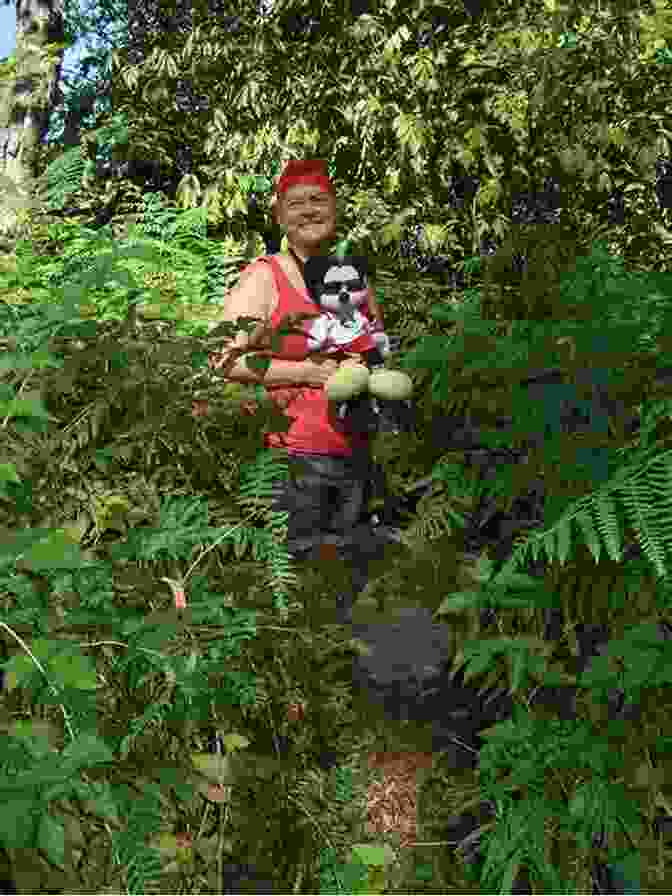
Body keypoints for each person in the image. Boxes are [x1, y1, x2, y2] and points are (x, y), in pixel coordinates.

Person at [209, 159, 399, 623]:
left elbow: (375, 347)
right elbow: (221, 358)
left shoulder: (351, 275)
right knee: (295, 587)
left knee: (345, 583)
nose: (309, 211)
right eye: (297, 203)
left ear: (335, 209)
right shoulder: (265, 276)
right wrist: (306, 373)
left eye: (319, 200)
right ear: (279, 216)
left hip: (355, 450)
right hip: (292, 457)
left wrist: (369, 366)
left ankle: (341, 683)